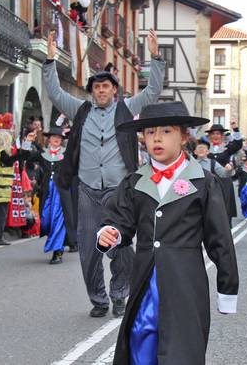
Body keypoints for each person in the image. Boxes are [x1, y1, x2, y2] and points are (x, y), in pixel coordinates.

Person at [97, 101, 238, 364]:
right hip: (145, 282)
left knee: (182, 349)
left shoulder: (204, 182)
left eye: (166, 131)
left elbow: (220, 239)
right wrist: (111, 232)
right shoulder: (135, 182)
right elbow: (120, 220)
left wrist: (228, 288)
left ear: (184, 136)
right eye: (150, 133)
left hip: (185, 281)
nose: (157, 138)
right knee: (140, 339)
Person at [42, 28, 165, 318]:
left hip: (118, 190)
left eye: (106, 87)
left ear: (114, 90)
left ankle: (119, 293)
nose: (101, 91)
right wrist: (49, 60)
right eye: (96, 87)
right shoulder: (80, 110)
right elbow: (54, 92)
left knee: (121, 246)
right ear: (92, 91)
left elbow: (153, 92)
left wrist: (156, 57)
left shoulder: (126, 108)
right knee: (88, 248)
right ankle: (97, 299)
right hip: (87, 190)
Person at [30, 127, 75, 264]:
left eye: (59, 137)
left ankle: (58, 251)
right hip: (46, 191)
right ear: (49, 138)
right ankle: (56, 242)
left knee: (58, 219)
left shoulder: (67, 154)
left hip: (62, 191)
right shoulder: (43, 153)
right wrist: (27, 142)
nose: (57, 139)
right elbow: (28, 157)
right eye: (54, 137)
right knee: (46, 219)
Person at [205, 122, 243, 224]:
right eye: (213, 134)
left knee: (224, 207)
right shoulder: (205, 148)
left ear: (222, 136)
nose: (215, 136)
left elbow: (238, 144)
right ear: (210, 136)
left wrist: (235, 129)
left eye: (218, 134)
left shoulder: (227, 148)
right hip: (208, 181)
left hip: (224, 181)